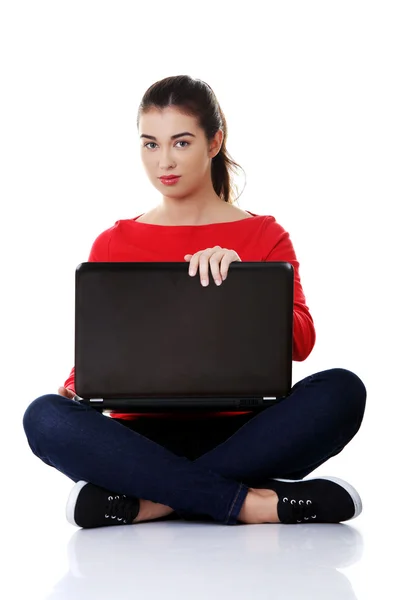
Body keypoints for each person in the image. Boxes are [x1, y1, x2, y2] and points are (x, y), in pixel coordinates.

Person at [22, 75, 367, 529]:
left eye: (180, 142)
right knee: (44, 417)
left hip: (244, 431)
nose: (163, 160)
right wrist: (77, 381)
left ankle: (152, 501)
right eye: (150, 144)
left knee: (343, 390)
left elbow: (302, 342)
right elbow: (105, 343)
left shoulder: (263, 234)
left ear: (214, 142)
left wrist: (246, 283)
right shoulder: (113, 241)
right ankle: (252, 503)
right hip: (139, 436)